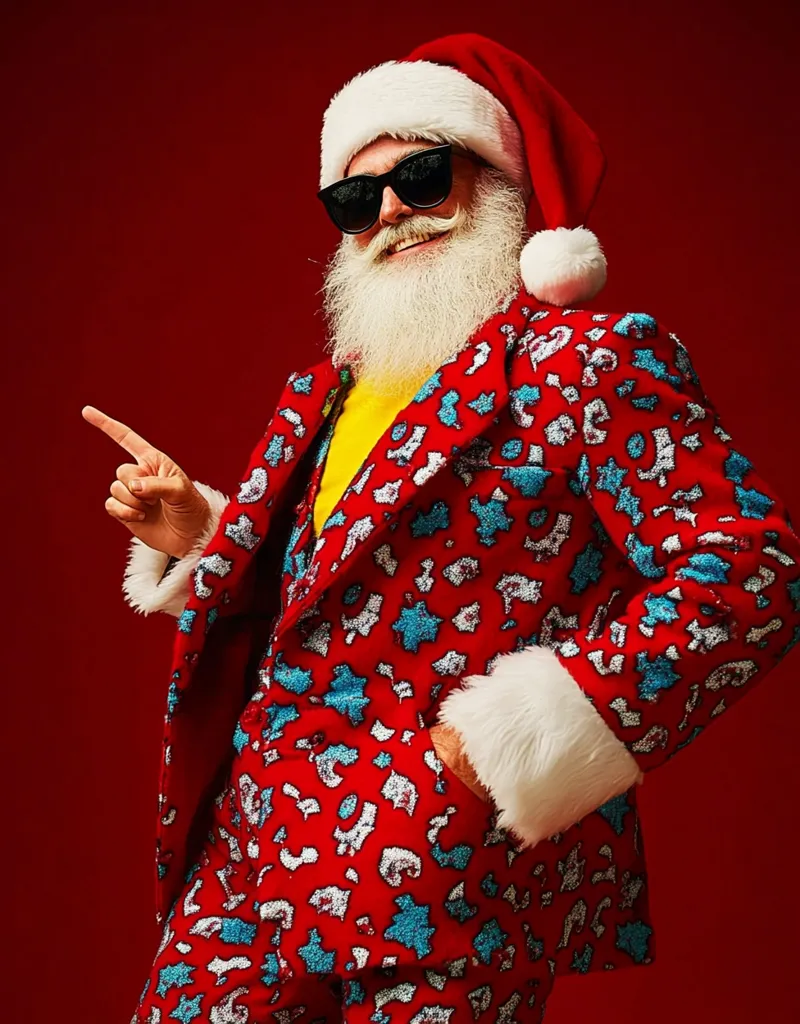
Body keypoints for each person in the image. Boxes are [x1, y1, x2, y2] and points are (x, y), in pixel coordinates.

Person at [83, 32, 800, 1024]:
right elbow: (322, 594)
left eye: (421, 176)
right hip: (251, 855)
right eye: (354, 198)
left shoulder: (579, 358)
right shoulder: (325, 396)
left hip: (447, 872)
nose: (388, 213)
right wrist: (204, 530)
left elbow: (748, 572)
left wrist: (496, 748)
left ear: (495, 177)